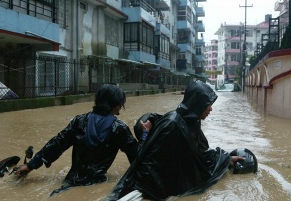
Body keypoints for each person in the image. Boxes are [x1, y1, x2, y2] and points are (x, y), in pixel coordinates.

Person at [110, 80, 244, 200]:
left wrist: (225, 159)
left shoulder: (193, 121)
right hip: (154, 188)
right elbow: (150, 161)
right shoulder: (171, 124)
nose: (211, 109)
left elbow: (200, 153)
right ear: (198, 104)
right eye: (209, 105)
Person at [15, 84, 151, 196]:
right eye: (121, 104)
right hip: (97, 185)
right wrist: (145, 134)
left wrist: (30, 166)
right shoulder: (119, 128)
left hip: (69, 182)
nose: (121, 107)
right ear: (116, 105)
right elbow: (137, 158)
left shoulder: (79, 121)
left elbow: (56, 144)